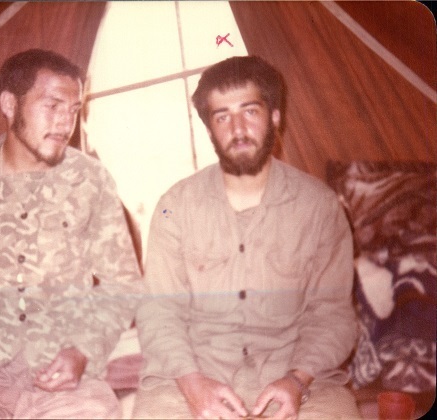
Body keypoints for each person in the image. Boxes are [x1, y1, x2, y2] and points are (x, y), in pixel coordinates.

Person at [0, 49, 143, 419]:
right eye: (52, 106)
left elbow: (124, 283)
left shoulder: (91, 180)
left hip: (64, 382)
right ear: (9, 104)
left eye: (73, 109)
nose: (65, 122)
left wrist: (83, 350)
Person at [133, 56, 361, 419]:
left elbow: (333, 315)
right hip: (192, 378)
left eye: (250, 112)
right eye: (222, 117)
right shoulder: (174, 206)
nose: (237, 129)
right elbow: (158, 312)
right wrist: (193, 385)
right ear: (210, 129)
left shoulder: (319, 206)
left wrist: (297, 381)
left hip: (300, 381)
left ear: (275, 116)